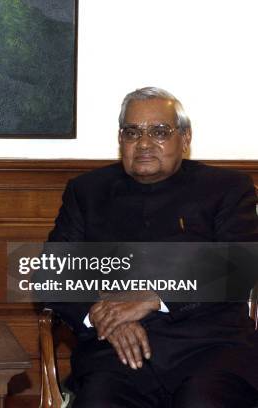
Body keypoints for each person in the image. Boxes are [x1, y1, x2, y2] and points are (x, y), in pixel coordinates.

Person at [46, 87, 258, 407]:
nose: (144, 143)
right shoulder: (87, 191)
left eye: (159, 132)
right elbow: (50, 275)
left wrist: (154, 297)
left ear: (184, 139)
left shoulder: (227, 188)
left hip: (208, 350)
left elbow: (240, 266)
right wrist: (100, 315)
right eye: (132, 132)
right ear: (121, 140)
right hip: (114, 355)